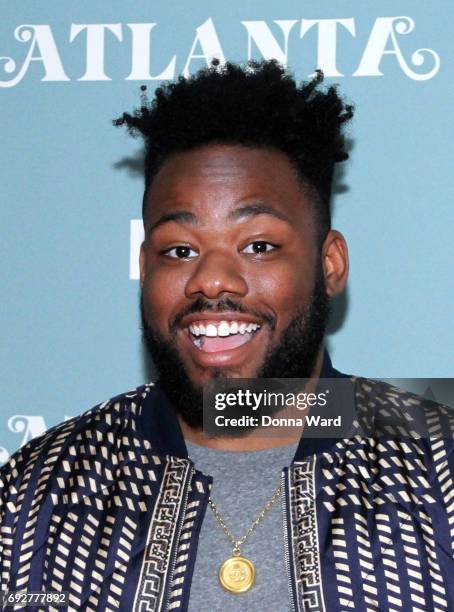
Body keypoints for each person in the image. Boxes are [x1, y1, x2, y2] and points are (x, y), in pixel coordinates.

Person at [1, 60, 453, 612]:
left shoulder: (437, 467)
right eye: (180, 250)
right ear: (146, 268)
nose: (210, 278)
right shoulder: (39, 491)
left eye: (258, 245)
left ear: (329, 264)